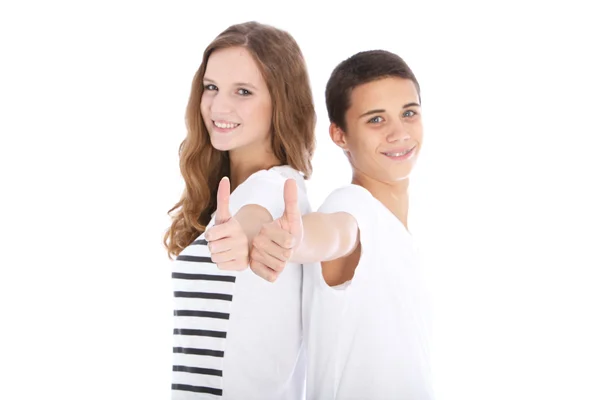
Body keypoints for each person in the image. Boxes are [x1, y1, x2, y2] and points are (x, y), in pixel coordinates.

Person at [250, 50, 434, 399]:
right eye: (376, 120)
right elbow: (334, 233)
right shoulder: (351, 206)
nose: (399, 132)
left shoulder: (398, 232)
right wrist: (295, 240)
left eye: (408, 113)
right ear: (339, 135)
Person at [164, 21, 316, 399]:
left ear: (282, 102)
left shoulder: (276, 189)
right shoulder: (238, 191)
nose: (219, 106)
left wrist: (242, 238)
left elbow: (256, 220)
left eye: (243, 91)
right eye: (211, 87)